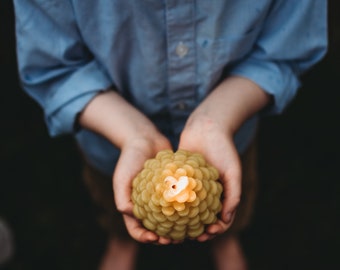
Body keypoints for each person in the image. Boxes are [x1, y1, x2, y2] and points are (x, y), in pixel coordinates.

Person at [12, 1, 327, 269]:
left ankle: (225, 237)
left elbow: (285, 47)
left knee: (230, 199)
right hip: (108, 144)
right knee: (116, 199)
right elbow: (55, 69)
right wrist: (131, 134)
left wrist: (217, 119)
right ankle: (121, 237)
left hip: (230, 134)